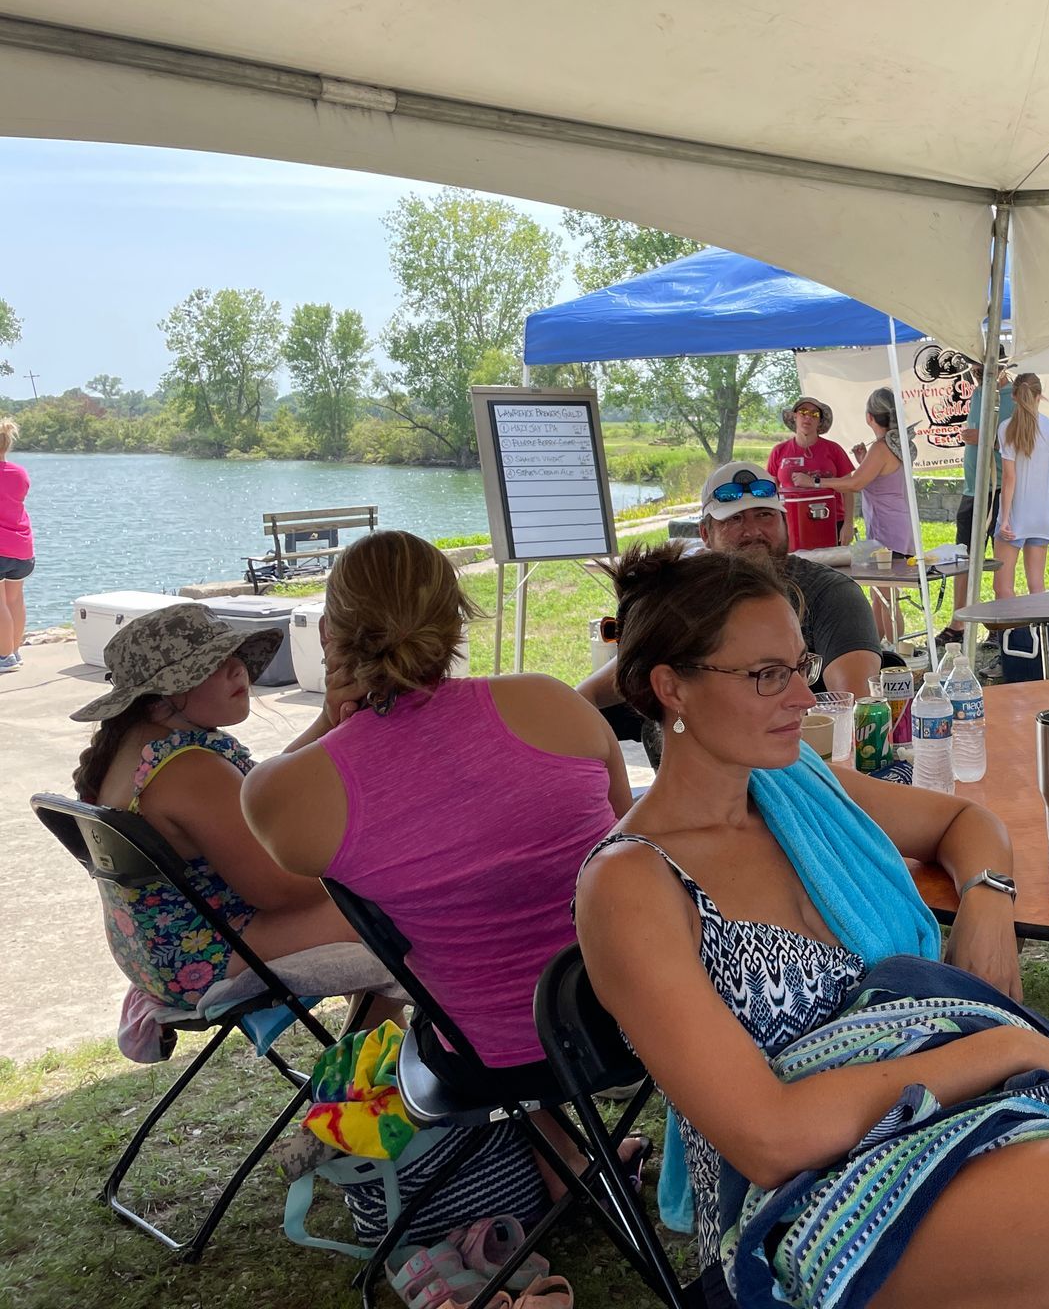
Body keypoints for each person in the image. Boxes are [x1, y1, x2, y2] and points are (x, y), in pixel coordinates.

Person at [574, 542, 1049, 1309]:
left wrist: (989, 899)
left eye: (801, 666)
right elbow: (769, 1140)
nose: (803, 697)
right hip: (802, 1209)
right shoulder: (633, 883)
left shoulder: (798, 784)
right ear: (673, 687)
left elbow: (966, 820)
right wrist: (1007, 1044)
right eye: (767, 675)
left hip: (937, 1131)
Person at [242, 529, 632, 1081]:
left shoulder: (288, 791)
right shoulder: (553, 702)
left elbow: (270, 847)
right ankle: (575, 1160)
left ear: (330, 634)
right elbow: (626, 840)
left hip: (489, 1059)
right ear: (455, 622)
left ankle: (566, 1158)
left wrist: (332, 721)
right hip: (633, 1023)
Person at [70, 603, 375, 1012]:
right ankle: (373, 1059)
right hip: (209, 956)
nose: (236, 669)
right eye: (208, 665)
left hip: (158, 957)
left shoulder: (139, 748)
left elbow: (255, 792)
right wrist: (365, 861)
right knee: (396, 908)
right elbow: (278, 890)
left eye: (233, 656)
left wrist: (326, 720)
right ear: (159, 700)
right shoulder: (188, 769)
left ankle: (370, 1049)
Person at [578, 462, 884, 740]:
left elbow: (856, 711)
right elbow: (589, 695)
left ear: (785, 523)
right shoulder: (687, 599)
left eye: (765, 515)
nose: (752, 531)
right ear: (705, 534)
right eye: (734, 519)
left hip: (803, 768)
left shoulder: (830, 593)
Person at [807, 389, 916, 644]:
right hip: (894, 525)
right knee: (879, 593)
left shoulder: (881, 447)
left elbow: (856, 483)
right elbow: (878, 477)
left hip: (889, 529)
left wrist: (814, 482)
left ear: (869, 417)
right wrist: (863, 460)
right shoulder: (895, 444)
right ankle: (877, 648)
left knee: (887, 597)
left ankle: (898, 654)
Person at [937, 364, 1014, 650]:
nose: (977, 375)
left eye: (983, 370)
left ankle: (999, 625)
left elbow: (1018, 443)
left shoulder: (1013, 397)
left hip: (998, 488)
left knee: (999, 561)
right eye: (974, 370)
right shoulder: (979, 392)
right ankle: (959, 623)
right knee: (963, 559)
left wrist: (986, 439)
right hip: (973, 490)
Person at [993, 373, 1049, 601]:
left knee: (1003, 588)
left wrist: (1004, 519)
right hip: (1041, 518)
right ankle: (1038, 636)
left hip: (1015, 517)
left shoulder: (1006, 428)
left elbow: (1009, 479)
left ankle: (1011, 636)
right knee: (1037, 588)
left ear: (1014, 396)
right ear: (1039, 396)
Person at [766, 394, 856, 545]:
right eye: (803, 412)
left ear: (820, 421)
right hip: (791, 524)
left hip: (832, 521)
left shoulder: (833, 449)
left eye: (814, 414)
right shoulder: (779, 451)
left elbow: (848, 487)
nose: (808, 418)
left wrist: (848, 525)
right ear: (794, 416)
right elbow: (770, 491)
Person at [0, 415, 31, 672]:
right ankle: (14, 650)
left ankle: (4, 657)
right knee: (15, 599)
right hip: (22, 547)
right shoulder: (19, 473)